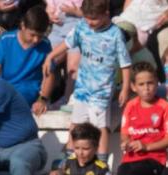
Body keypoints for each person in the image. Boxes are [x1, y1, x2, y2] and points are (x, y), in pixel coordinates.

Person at [44, 0, 133, 160]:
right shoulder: (81, 27)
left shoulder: (115, 34)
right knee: (76, 124)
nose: (90, 23)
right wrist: (50, 56)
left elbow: (125, 63)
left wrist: (125, 88)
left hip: (102, 90)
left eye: (94, 19)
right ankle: (70, 160)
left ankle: (102, 162)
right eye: (87, 18)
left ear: (106, 14)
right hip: (82, 89)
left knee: (100, 127)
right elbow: (66, 43)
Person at [0, 6, 54, 111]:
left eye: (40, 36)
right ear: (23, 25)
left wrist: (42, 100)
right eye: (32, 35)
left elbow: (50, 75)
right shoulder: (6, 39)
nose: (36, 40)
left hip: (30, 95)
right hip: (6, 92)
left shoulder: (45, 45)